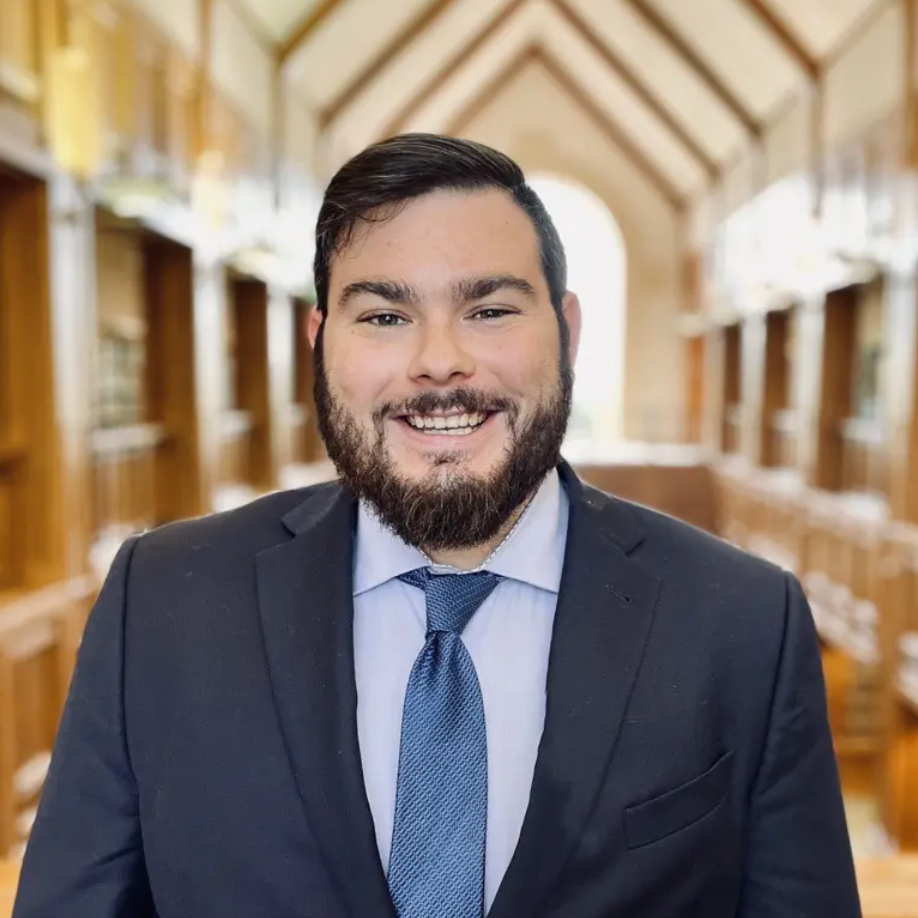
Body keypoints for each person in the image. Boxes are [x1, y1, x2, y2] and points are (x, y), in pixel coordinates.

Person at [13, 133, 861, 918]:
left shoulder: (743, 620)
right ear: (321, 345)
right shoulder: (161, 602)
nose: (438, 360)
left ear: (565, 334)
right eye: (384, 316)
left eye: (489, 310)